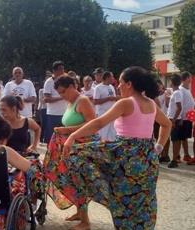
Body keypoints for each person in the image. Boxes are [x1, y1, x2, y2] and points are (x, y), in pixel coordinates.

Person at [62, 66, 171, 229]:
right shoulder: (151, 104)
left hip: (126, 158)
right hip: (148, 159)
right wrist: (158, 147)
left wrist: (72, 136)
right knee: (144, 203)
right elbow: (167, 124)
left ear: (129, 84)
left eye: (120, 82)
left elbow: (98, 123)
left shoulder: (126, 103)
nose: (117, 86)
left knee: (123, 202)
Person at [43, 76, 98, 228]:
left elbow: (92, 124)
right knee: (72, 180)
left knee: (78, 181)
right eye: (60, 93)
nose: (62, 95)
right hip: (73, 146)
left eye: (64, 91)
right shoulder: (71, 102)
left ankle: (85, 222)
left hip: (83, 148)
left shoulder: (83, 101)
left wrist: (66, 130)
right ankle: (80, 213)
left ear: (73, 86)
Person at [43, 61, 67, 143]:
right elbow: (46, 99)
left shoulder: (65, 81)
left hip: (65, 113)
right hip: (53, 114)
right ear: (54, 71)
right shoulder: (49, 82)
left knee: (63, 137)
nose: (62, 71)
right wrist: (61, 97)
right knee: (52, 138)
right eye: (60, 69)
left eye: (63, 69)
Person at [93, 71, 117, 141]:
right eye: (112, 76)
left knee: (112, 132)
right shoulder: (98, 88)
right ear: (107, 78)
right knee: (103, 132)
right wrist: (108, 98)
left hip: (112, 113)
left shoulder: (111, 87)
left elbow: (113, 98)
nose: (113, 78)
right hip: (102, 113)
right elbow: (95, 101)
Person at [167, 74, 184, 168]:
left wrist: (173, 120)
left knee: (175, 140)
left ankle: (174, 160)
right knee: (175, 140)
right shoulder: (176, 92)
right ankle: (175, 158)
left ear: (172, 82)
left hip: (174, 119)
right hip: (174, 119)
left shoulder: (177, 93)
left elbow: (179, 108)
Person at [178, 71, 195, 162]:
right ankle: (185, 155)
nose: (191, 79)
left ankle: (185, 154)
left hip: (188, 118)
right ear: (187, 78)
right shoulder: (181, 89)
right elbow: (180, 105)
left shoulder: (187, 89)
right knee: (182, 137)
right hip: (183, 118)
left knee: (184, 137)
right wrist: (180, 118)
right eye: (190, 77)